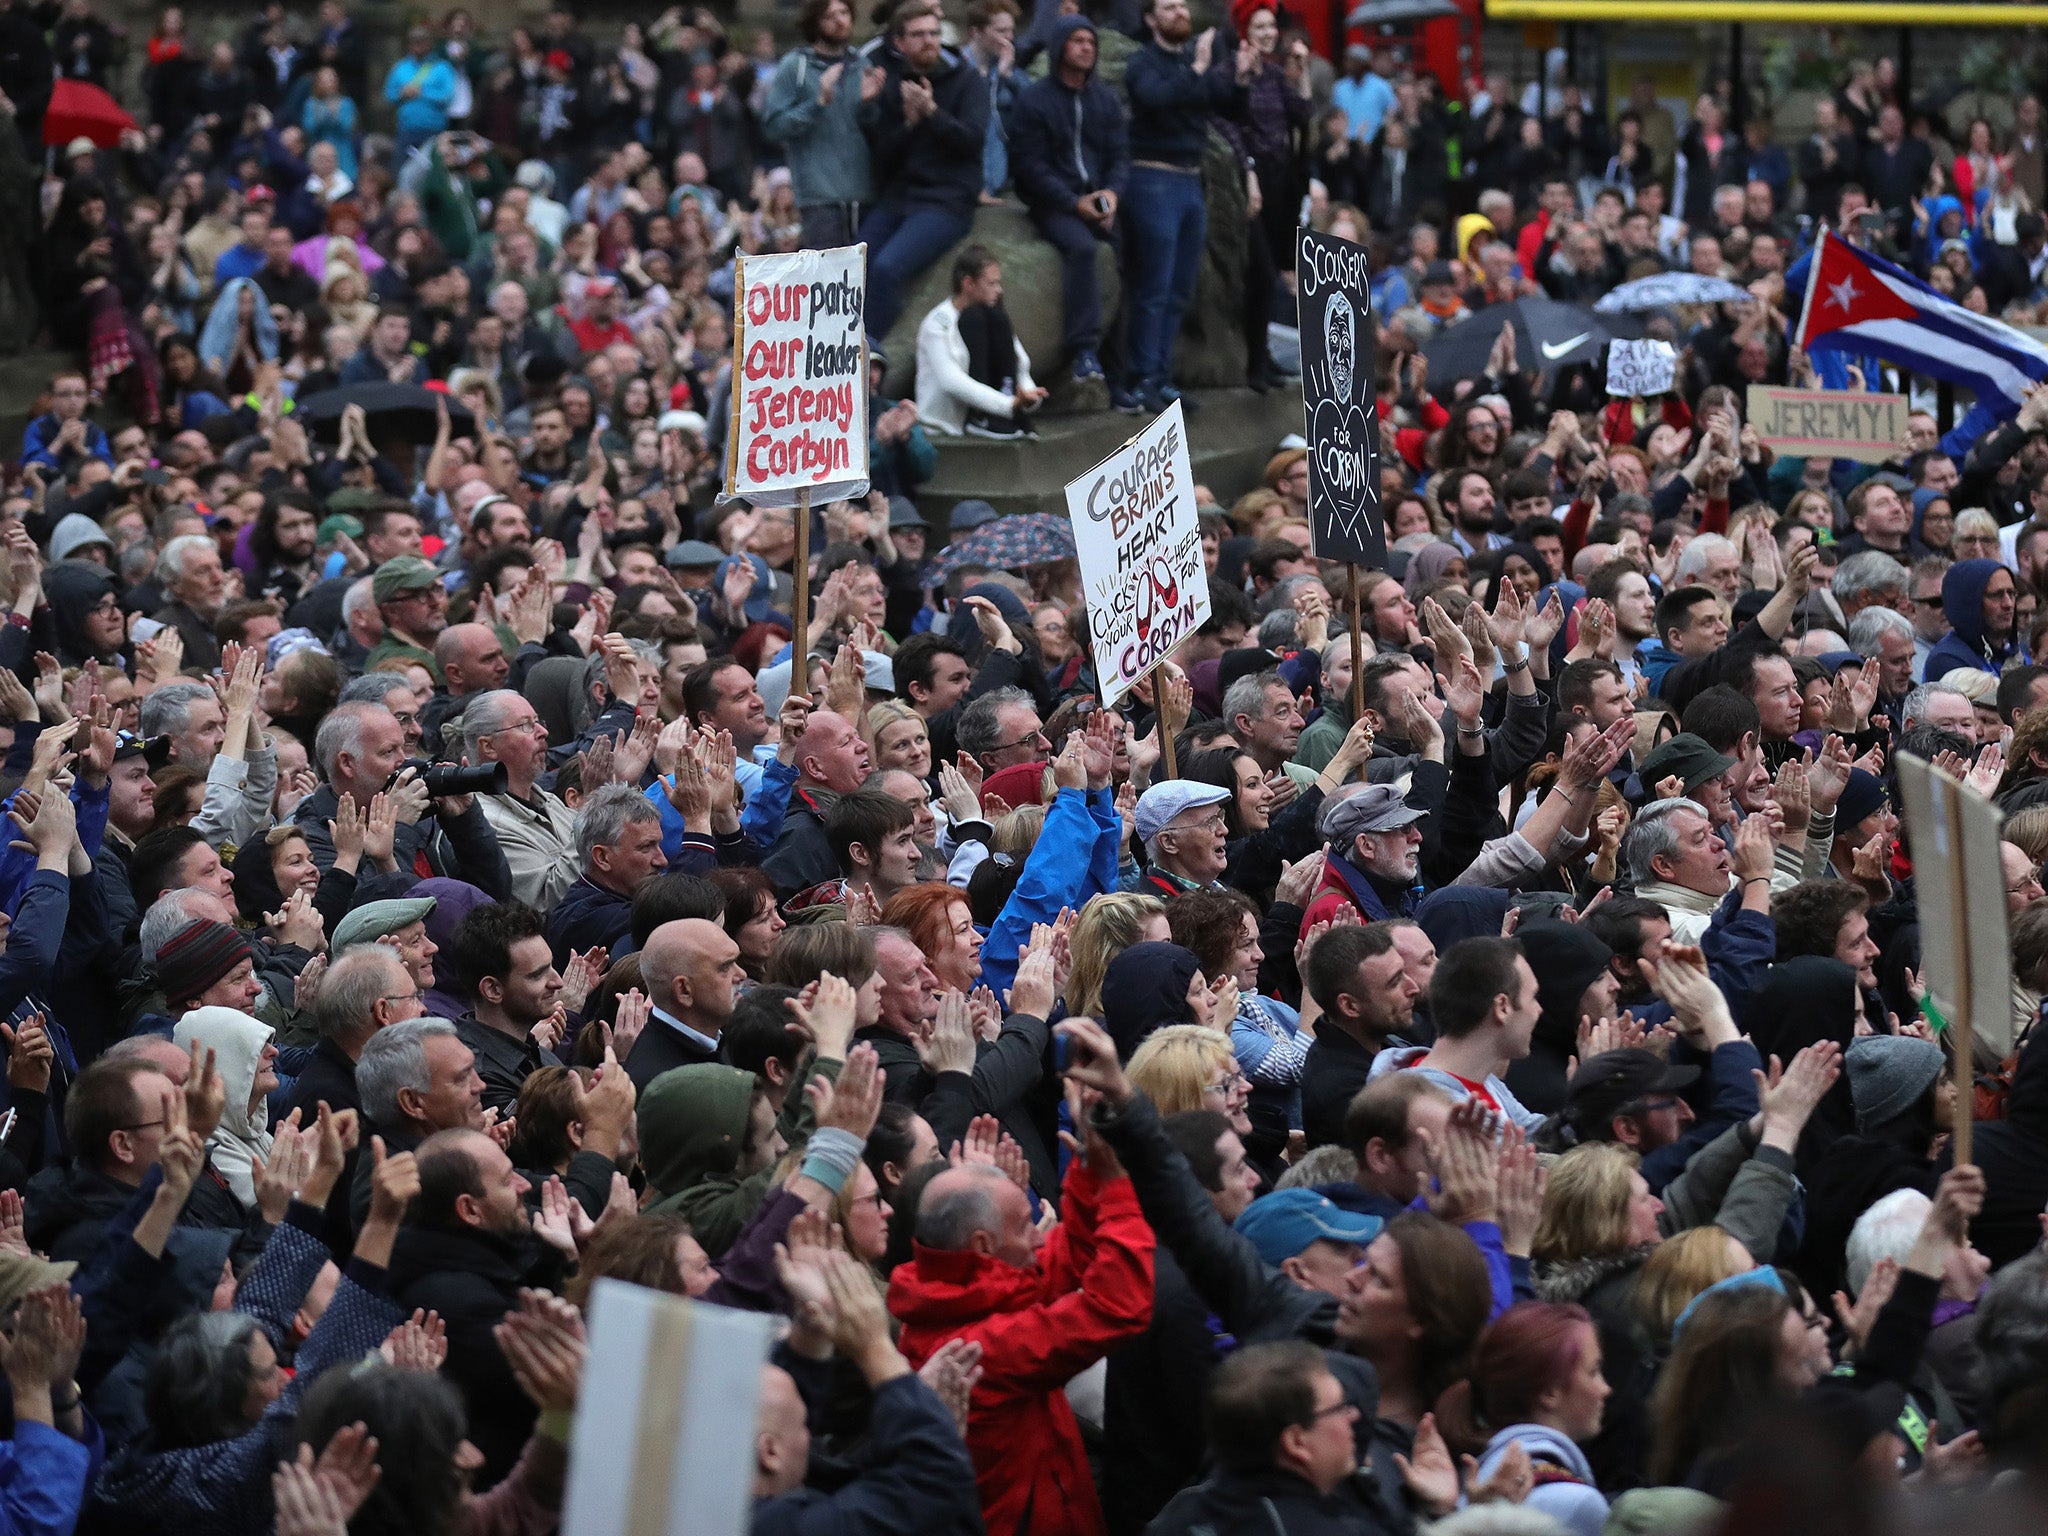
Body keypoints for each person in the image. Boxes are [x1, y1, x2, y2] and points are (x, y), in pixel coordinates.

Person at [1122, 0, 1244, 412]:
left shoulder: (1197, 61)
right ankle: (1142, 377)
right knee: (1154, 285)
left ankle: (1161, 374)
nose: (1180, 13)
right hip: (1153, 178)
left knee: (1179, 288)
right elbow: (1153, 98)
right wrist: (1197, 69)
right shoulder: (1144, 62)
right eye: (1169, 7)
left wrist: (1240, 76)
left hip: (1191, 180)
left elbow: (1227, 104)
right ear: (1150, 19)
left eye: (1181, 6)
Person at [856, 0, 990, 343]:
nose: (928, 40)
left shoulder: (967, 79)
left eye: (933, 33)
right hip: (899, 197)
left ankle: (869, 354)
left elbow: (973, 141)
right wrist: (909, 124)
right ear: (900, 43)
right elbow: (882, 155)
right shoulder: (892, 82)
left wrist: (933, 112)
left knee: (887, 268)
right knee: (853, 263)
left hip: (946, 199)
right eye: (918, 35)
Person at [1006, 15, 1126, 386]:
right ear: (1059, 49)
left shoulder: (1105, 99)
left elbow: (1120, 155)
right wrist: (1074, 202)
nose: (1086, 47)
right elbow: (1030, 167)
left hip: (1099, 200)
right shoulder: (1034, 100)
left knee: (1132, 254)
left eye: (1090, 41)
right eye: (1077, 41)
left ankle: (1123, 370)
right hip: (1054, 203)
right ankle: (1083, 351)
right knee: (1081, 248)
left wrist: (1111, 193)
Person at [915, 247, 1045, 440]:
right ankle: (982, 418)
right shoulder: (937, 323)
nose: (999, 289)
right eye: (991, 283)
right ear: (968, 283)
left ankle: (997, 421)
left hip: (996, 415)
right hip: (944, 429)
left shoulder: (993, 316)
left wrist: (1027, 397)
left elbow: (1018, 361)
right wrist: (1007, 405)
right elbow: (951, 381)